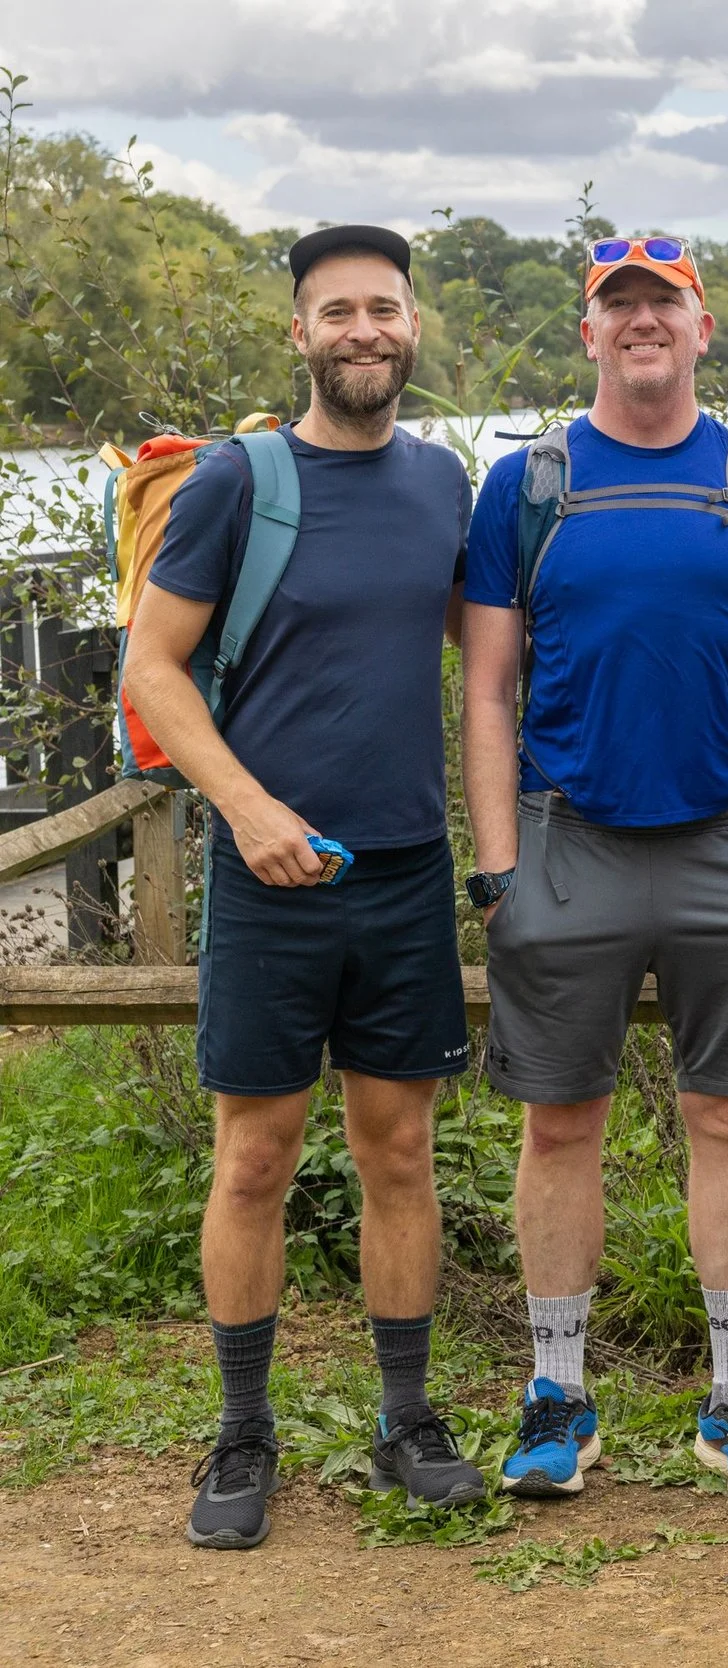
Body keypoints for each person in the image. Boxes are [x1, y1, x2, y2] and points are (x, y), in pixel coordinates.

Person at [462, 235, 728, 1503]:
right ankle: (556, 1396)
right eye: (616, 307)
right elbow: (484, 683)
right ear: (588, 334)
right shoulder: (525, 484)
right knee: (560, 1120)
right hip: (570, 839)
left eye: (661, 307)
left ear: (702, 327)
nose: (640, 324)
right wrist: (501, 866)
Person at [128, 224, 482, 1549]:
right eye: (337, 312)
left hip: (401, 873)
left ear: (411, 327)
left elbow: (492, 656)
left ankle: (405, 1418)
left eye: (384, 309)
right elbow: (155, 666)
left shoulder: (446, 486)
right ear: (300, 334)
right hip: (269, 879)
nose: (364, 332)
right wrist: (250, 806)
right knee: (258, 1155)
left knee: (400, 1150)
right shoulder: (238, 481)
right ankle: (241, 1434)